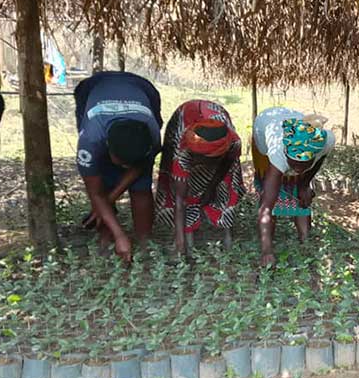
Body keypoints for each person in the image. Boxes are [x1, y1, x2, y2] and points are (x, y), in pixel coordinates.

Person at [75, 71, 163, 263]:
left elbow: (140, 166)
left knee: (141, 187)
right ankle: (106, 241)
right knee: (103, 181)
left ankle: (144, 242)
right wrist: (120, 234)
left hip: (143, 88)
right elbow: (95, 192)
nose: (125, 167)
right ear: (107, 146)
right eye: (121, 162)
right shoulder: (90, 141)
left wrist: (109, 199)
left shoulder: (151, 134)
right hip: (93, 87)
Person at [154, 100, 245, 256]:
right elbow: (180, 200)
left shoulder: (233, 143)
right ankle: (186, 238)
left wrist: (211, 188)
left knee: (228, 181)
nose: (202, 163)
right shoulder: (182, 153)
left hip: (215, 120)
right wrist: (180, 241)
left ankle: (227, 233)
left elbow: (226, 166)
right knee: (183, 185)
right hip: (185, 116)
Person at [252, 107, 334, 266]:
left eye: (304, 165)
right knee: (269, 191)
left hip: (297, 131)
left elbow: (318, 162)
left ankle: (305, 239)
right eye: (293, 164)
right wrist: (266, 251)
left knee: (300, 193)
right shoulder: (277, 153)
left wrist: (304, 184)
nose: (297, 170)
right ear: (286, 154)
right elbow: (266, 207)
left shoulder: (324, 143)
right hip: (263, 129)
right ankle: (268, 241)